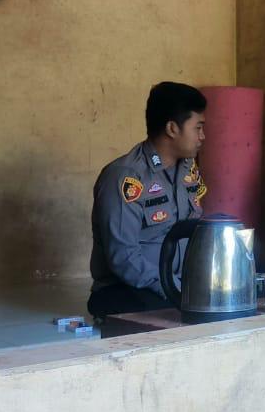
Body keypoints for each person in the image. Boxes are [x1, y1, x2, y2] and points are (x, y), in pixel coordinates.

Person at [89, 82, 209, 316]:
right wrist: (176, 288)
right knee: (174, 312)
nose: (202, 136)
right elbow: (124, 259)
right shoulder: (127, 177)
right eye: (198, 128)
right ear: (172, 128)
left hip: (178, 283)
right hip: (130, 288)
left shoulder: (188, 170)